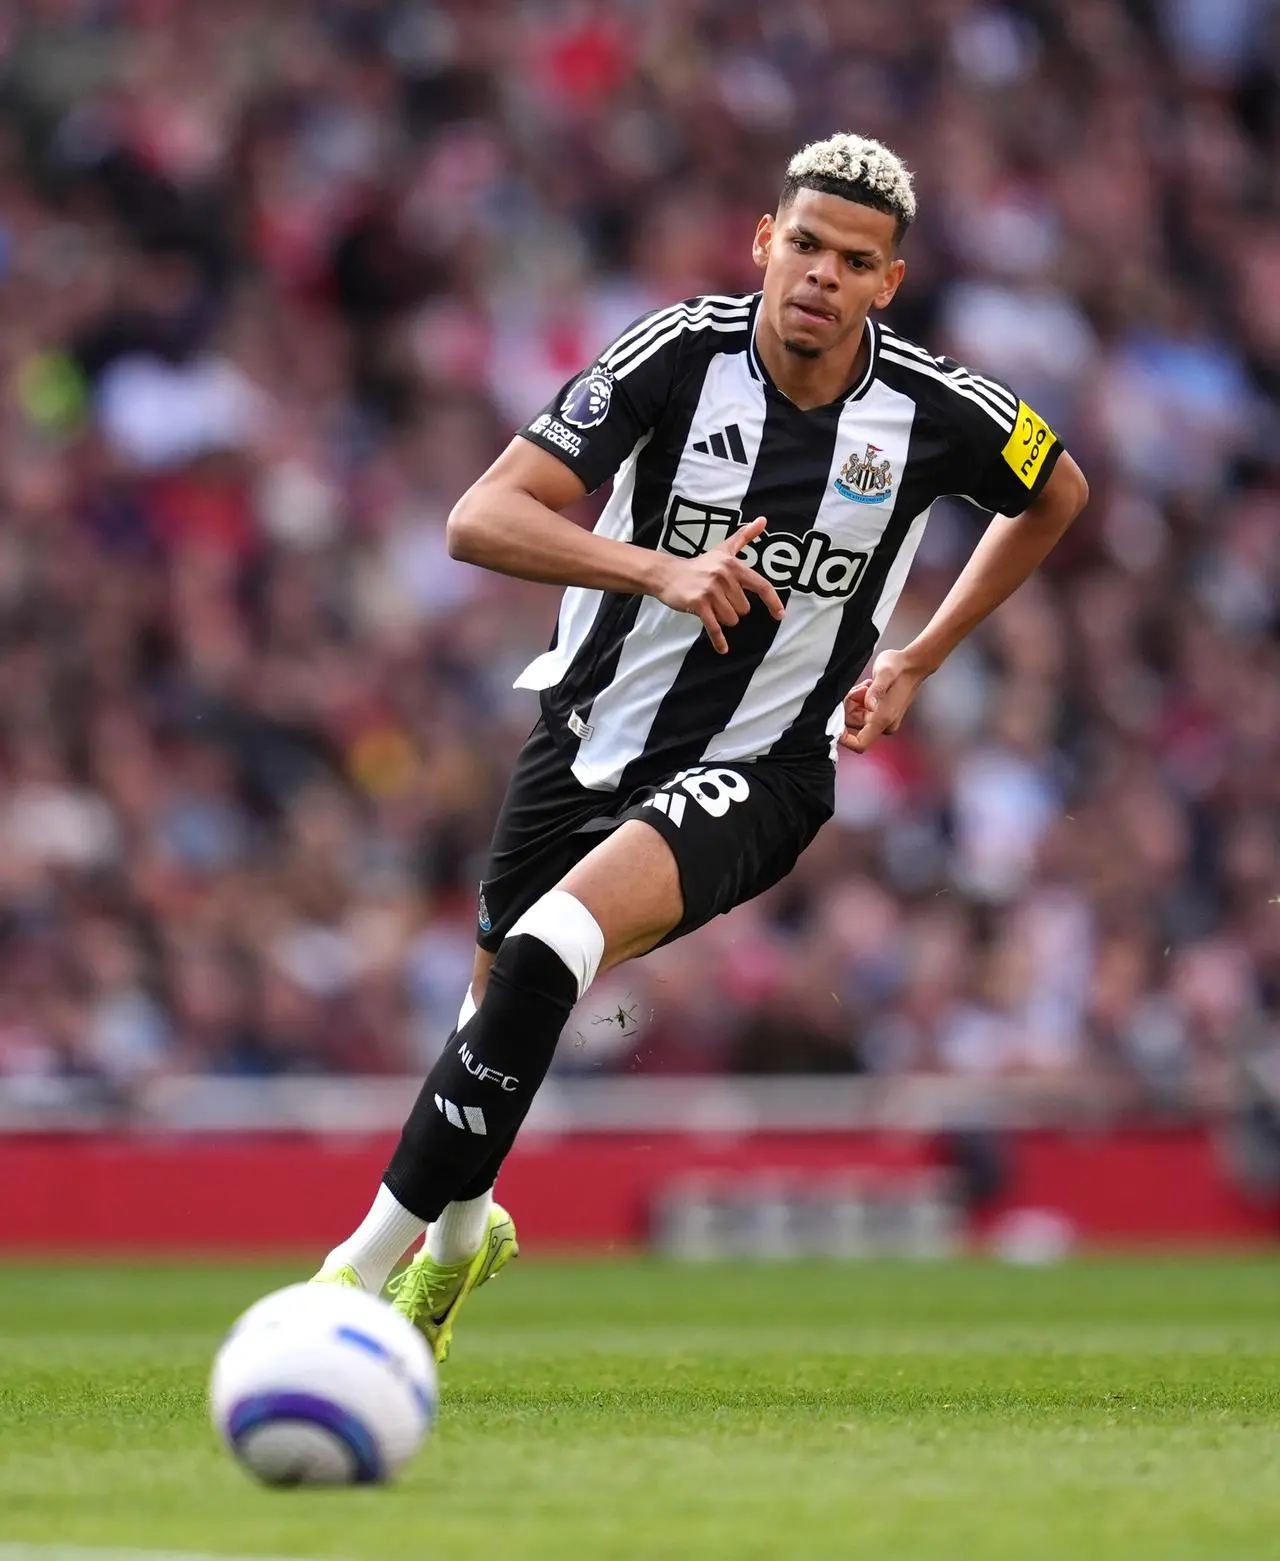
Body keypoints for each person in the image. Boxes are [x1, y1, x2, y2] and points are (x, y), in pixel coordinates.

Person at [313, 132, 1089, 1359]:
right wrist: (655, 570)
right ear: (763, 242)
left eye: (855, 261)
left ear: (888, 282)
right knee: (495, 1010)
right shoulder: (676, 355)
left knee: (552, 944)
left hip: (766, 765)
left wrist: (920, 655)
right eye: (806, 245)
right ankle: (459, 1246)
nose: (822, 275)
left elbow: (1056, 492)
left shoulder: (936, 410)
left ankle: (343, 1284)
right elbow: (478, 517)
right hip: (584, 732)